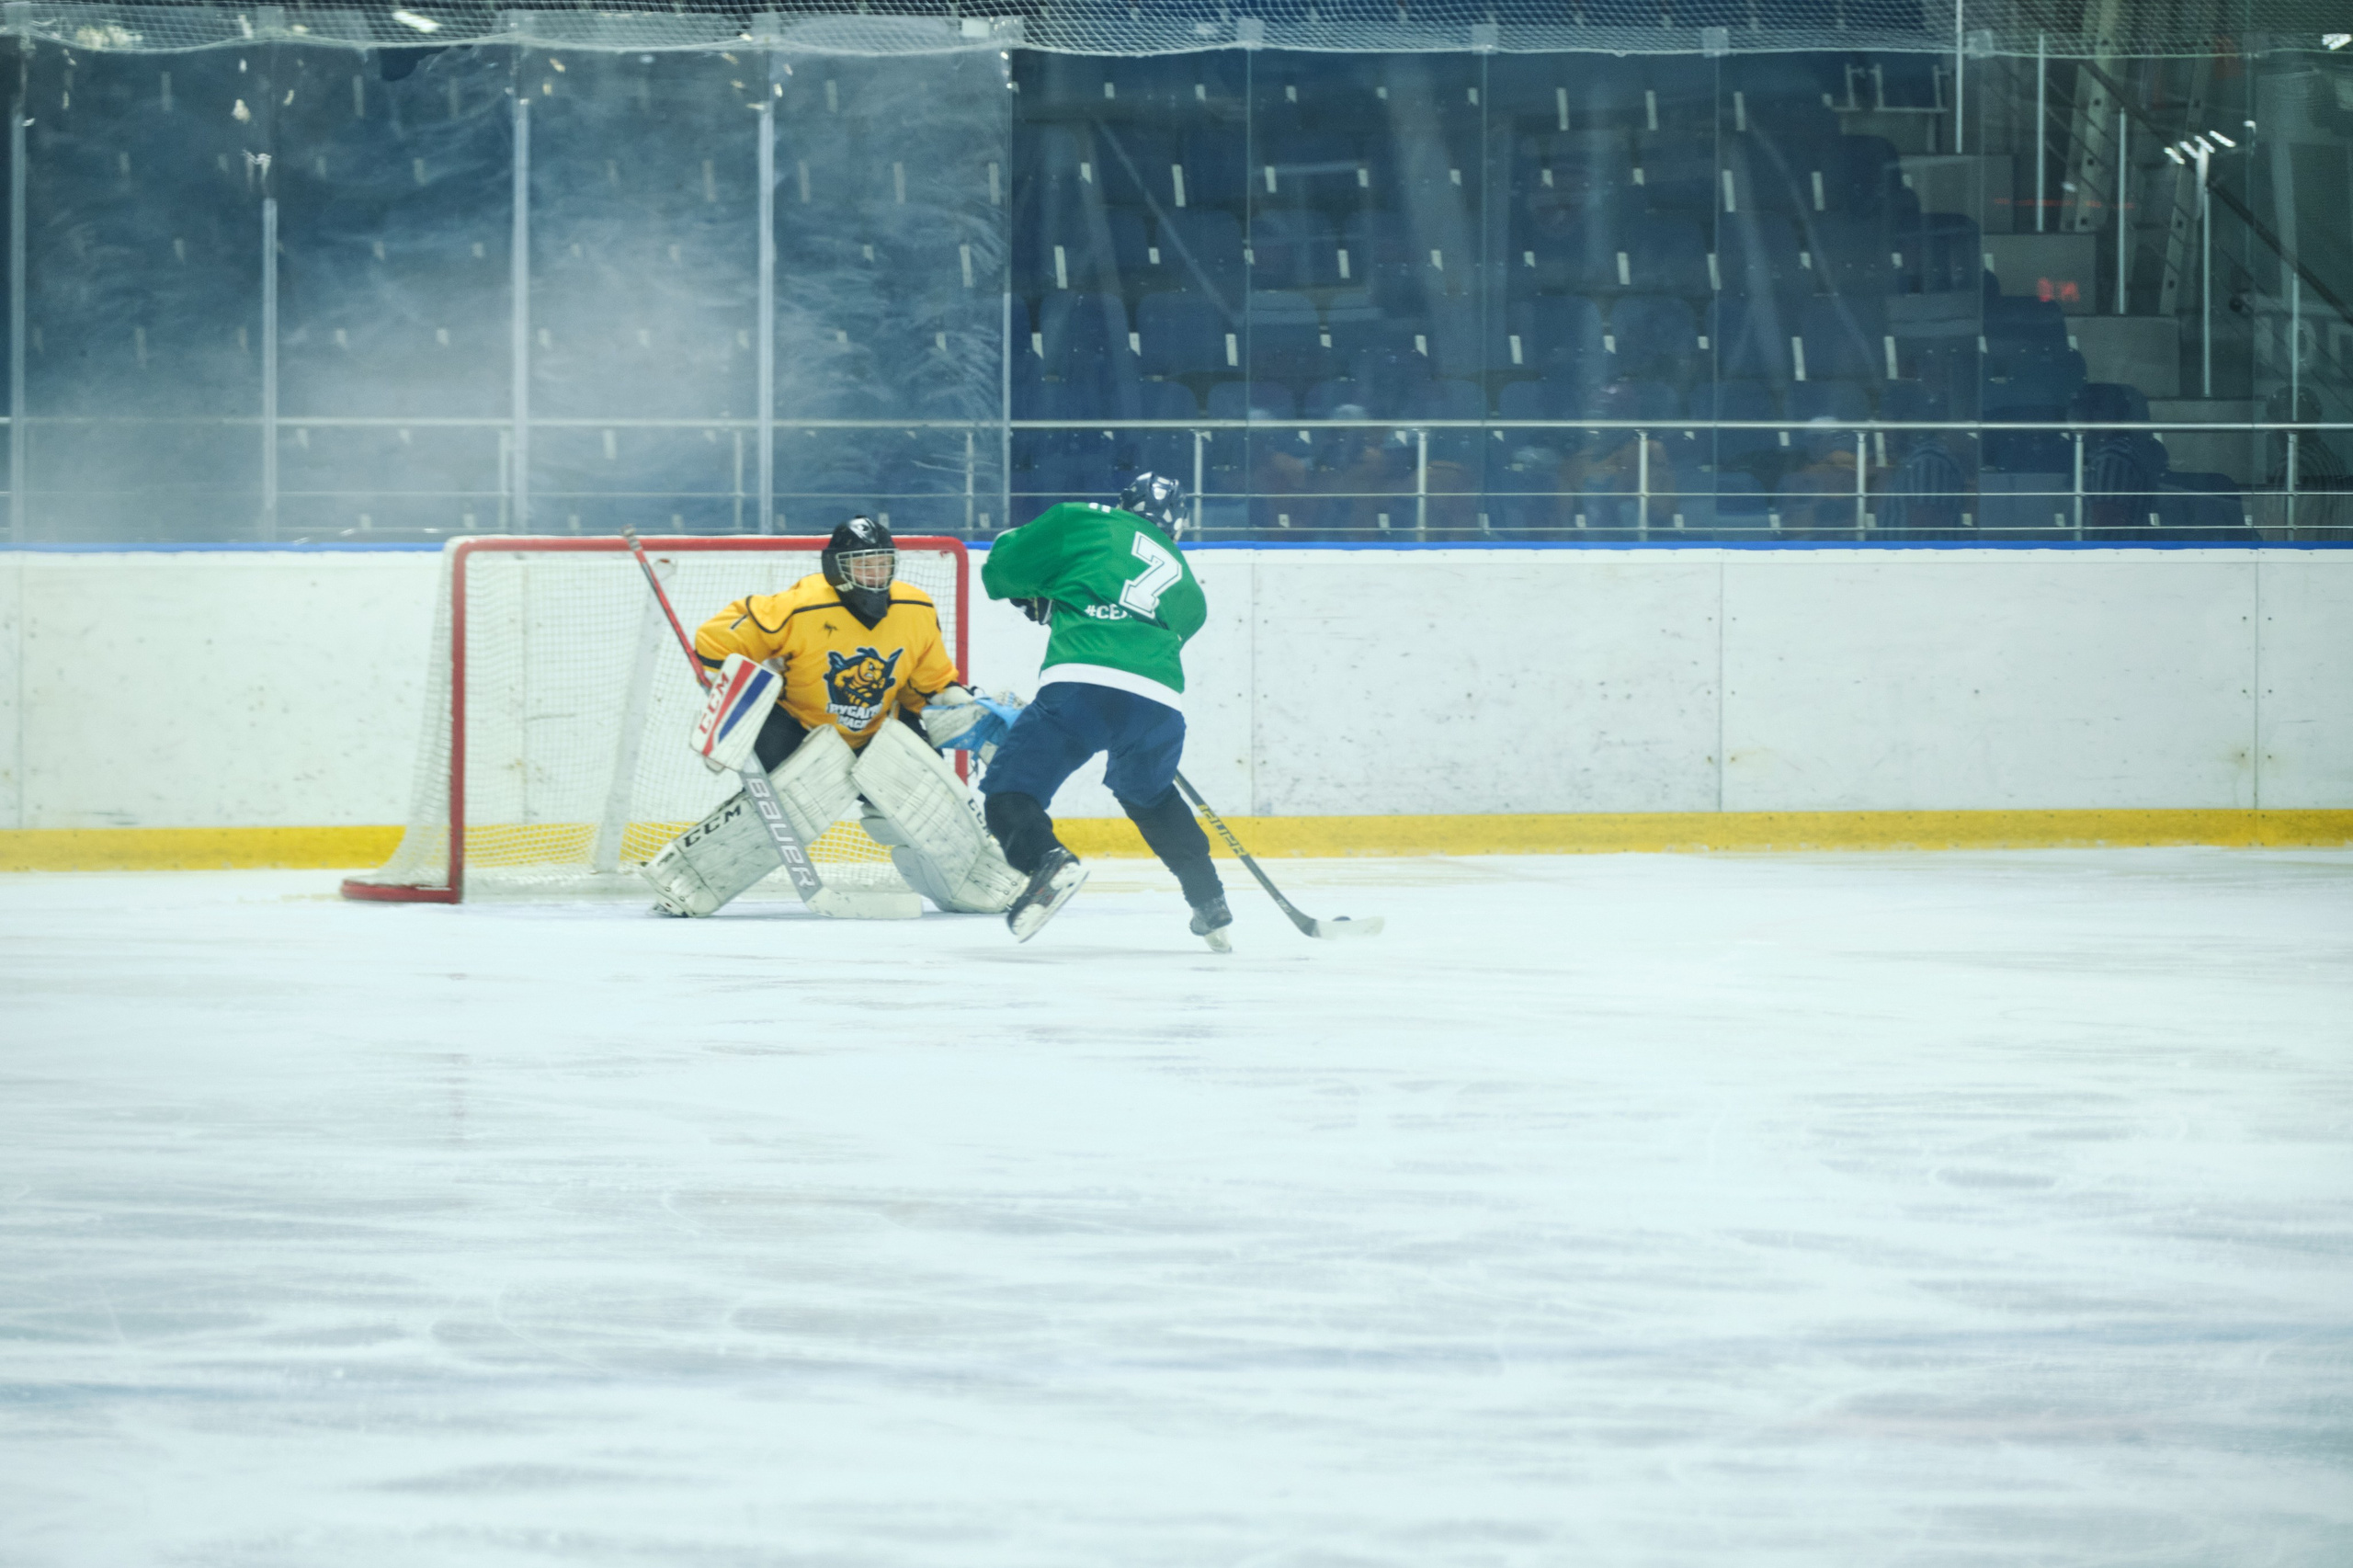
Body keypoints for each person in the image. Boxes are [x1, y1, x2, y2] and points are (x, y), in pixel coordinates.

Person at [640, 515, 1024, 919]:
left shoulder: (915, 607)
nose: (875, 574)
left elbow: (930, 681)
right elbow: (714, 643)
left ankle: (975, 883)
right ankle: (686, 880)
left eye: (882, 563)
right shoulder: (800, 606)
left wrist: (959, 700)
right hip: (800, 732)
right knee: (789, 810)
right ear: (835, 567)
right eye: (862, 564)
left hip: (880, 735)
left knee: (927, 808)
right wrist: (741, 684)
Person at [976, 472, 1233, 949]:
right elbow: (1141, 620)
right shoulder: (1192, 592)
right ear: (1177, 522)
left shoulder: (1084, 520)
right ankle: (1209, 901)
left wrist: (1041, 594)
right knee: (1152, 799)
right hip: (1157, 705)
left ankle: (1047, 861)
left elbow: (1002, 573)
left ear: (1124, 504)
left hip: (1080, 687)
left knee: (1009, 793)